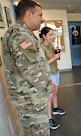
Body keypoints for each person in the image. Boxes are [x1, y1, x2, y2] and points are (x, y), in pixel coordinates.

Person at [1, 0, 54, 135]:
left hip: (31, 97)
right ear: (29, 14)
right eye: (40, 15)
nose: (43, 19)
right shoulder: (20, 35)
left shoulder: (23, 33)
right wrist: (48, 85)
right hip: (30, 100)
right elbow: (31, 71)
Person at [39, 26, 66, 130]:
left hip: (55, 71)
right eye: (50, 35)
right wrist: (54, 58)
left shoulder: (50, 45)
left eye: (53, 34)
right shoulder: (40, 47)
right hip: (48, 74)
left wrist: (55, 53)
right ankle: (49, 119)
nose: (53, 37)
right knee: (50, 96)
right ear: (44, 36)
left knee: (55, 91)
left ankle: (55, 109)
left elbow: (51, 55)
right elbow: (41, 64)